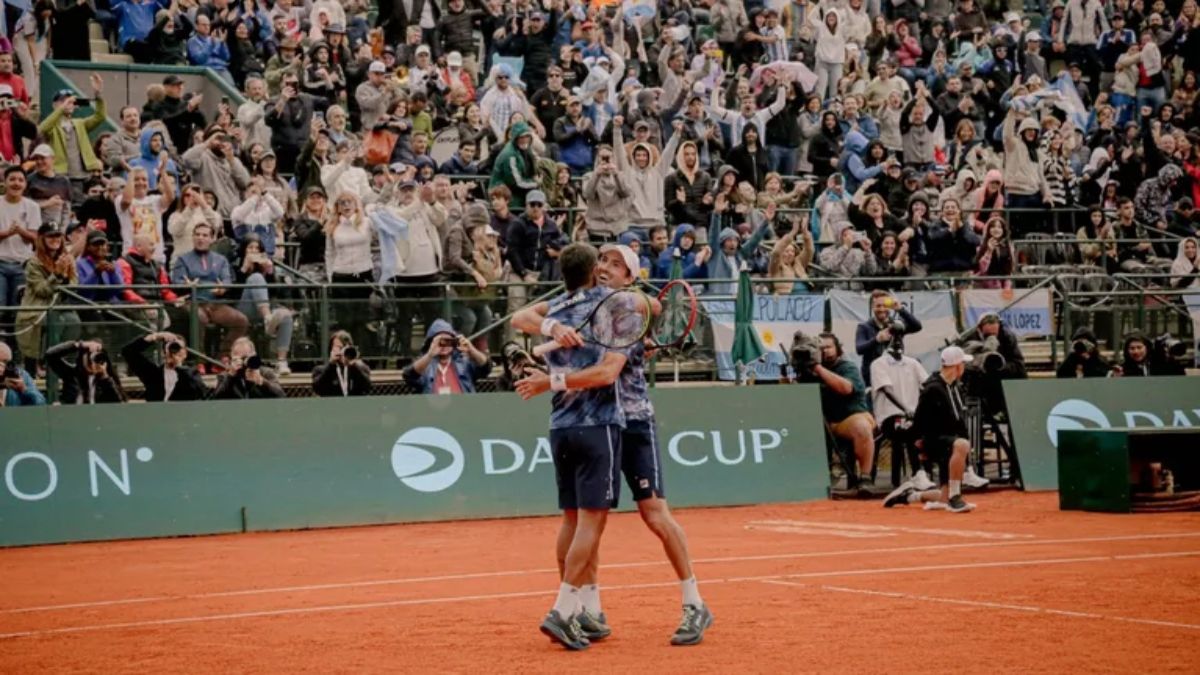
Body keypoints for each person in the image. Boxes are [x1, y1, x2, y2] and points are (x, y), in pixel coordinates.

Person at [510, 243, 638, 651]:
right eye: (601, 263)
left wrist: (550, 330)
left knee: (570, 520)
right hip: (597, 424)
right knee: (591, 523)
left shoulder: (559, 308)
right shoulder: (615, 303)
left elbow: (519, 317)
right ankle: (562, 609)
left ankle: (586, 609)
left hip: (560, 427)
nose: (605, 267)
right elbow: (605, 374)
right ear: (593, 272)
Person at [884, 346, 979, 513]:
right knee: (962, 444)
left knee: (942, 497)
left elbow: (959, 421)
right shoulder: (932, 389)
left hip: (948, 442)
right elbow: (920, 420)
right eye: (963, 363)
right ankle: (955, 497)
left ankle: (908, 496)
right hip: (933, 442)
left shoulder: (954, 387)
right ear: (957, 366)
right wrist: (919, 445)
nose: (964, 367)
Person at [807, 333, 876, 493]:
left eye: (828, 347)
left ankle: (865, 478)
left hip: (849, 418)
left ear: (837, 348)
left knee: (862, 427)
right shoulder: (807, 371)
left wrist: (818, 368)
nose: (825, 351)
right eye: (820, 348)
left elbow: (846, 388)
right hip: (822, 422)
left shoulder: (847, 367)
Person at [169, 222, 250, 360]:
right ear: (193, 237)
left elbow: (227, 280)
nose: (201, 238)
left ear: (212, 239)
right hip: (192, 301)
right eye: (198, 235)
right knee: (199, 317)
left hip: (214, 302)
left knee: (241, 321)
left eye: (205, 235)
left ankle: (222, 356)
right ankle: (199, 358)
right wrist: (187, 285)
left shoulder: (221, 260)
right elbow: (177, 281)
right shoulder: (182, 259)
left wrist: (222, 288)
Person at [870, 334, 935, 492]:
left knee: (932, 426)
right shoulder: (878, 364)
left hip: (913, 416)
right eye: (895, 339)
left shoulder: (912, 363)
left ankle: (927, 473)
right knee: (908, 427)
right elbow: (886, 390)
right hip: (889, 418)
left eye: (900, 339)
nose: (899, 342)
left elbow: (928, 384)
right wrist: (905, 408)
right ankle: (918, 473)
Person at [402, 319, 490, 394]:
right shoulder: (425, 365)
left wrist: (471, 349)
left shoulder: (463, 363)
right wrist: (430, 354)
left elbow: (486, 368)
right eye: (440, 342)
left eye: (448, 341)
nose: (444, 345)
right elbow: (409, 376)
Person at [855, 290, 922, 387]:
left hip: (895, 374)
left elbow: (917, 326)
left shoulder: (896, 325)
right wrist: (876, 340)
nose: (882, 309)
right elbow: (859, 348)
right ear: (872, 307)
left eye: (884, 305)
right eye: (878, 306)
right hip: (873, 377)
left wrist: (900, 309)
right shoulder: (864, 327)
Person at [122, 332, 210, 402]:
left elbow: (202, 393)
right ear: (163, 352)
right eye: (171, 348)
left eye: (177, 348)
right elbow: (128, 352)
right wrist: (155, 336)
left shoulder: (191, 374)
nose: (174, 351)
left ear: (185, 354)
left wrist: (178, 366)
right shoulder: (153, 375)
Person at [43, 340, 127, 404]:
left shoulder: (106, 381)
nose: (93, 361)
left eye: (97, 357)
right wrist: (79, 345)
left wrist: (105, 377)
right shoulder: (71, 374)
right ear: (82, 357)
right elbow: (50, 355)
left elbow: (118, 405)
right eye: (90, 355)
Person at [213, 337, 286, 399]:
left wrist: (263, 382)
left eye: (246, 357)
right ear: (233, 358)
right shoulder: (225, 376)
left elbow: (282, 396)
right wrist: (231, 376)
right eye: (241, 358)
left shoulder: (265, 372)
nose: (244, 361)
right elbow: (217, 399)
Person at [312, 330, 372, 396]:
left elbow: (367, 388)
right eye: (339, 348)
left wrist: (354, 366)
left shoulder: (361, 368)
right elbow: (317, 389)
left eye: (345, 348)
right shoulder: (320, 370)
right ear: (331, 349)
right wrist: (331, 365)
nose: (342, 351)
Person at [0, 341, 45, 407]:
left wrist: (24, 390)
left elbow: (41, 404)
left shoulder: (21, 375)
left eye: (5, 362)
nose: (1, 367)